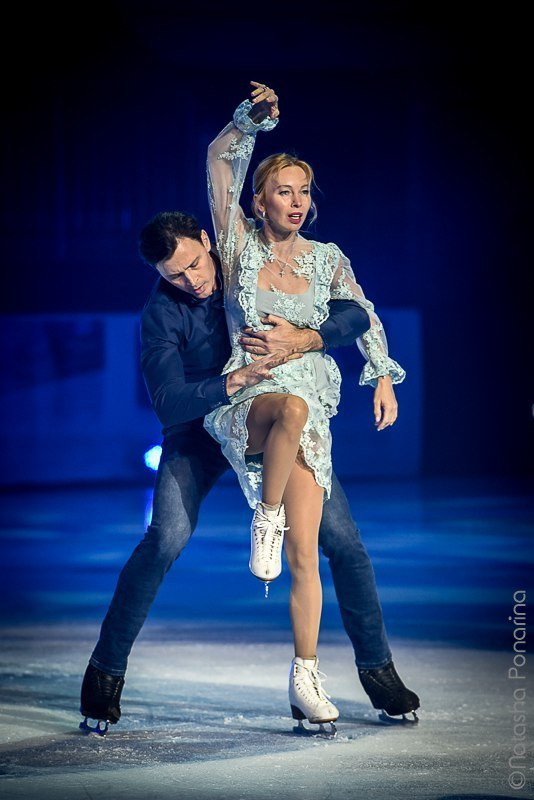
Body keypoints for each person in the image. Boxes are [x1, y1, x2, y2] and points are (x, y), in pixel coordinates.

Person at [79, 94, 420, 738]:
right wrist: (233, 377)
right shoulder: (168, 307)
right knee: (165, 539)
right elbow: (172, 401)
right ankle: (104, 673)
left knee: (342, 542)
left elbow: (352, 311)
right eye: (174, 277)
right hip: (204, 426)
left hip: (277, 419)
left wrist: (358, 363)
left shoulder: (259, 254)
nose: (192, 282)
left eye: (194, 265)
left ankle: (376, 675)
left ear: (209, 241)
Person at [203, 80, 410, 732]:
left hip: (312, 413)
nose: (295, 201)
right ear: (259, 199)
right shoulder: (240, 247)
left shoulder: (327, 260)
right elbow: (217, 159)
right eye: (282, 190)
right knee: (286, 404)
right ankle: (265, 518)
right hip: (254, 399)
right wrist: (249, 122)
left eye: (303, 191)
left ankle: (306, 678)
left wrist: (382, 376)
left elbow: (363, 311)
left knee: (307, 557)